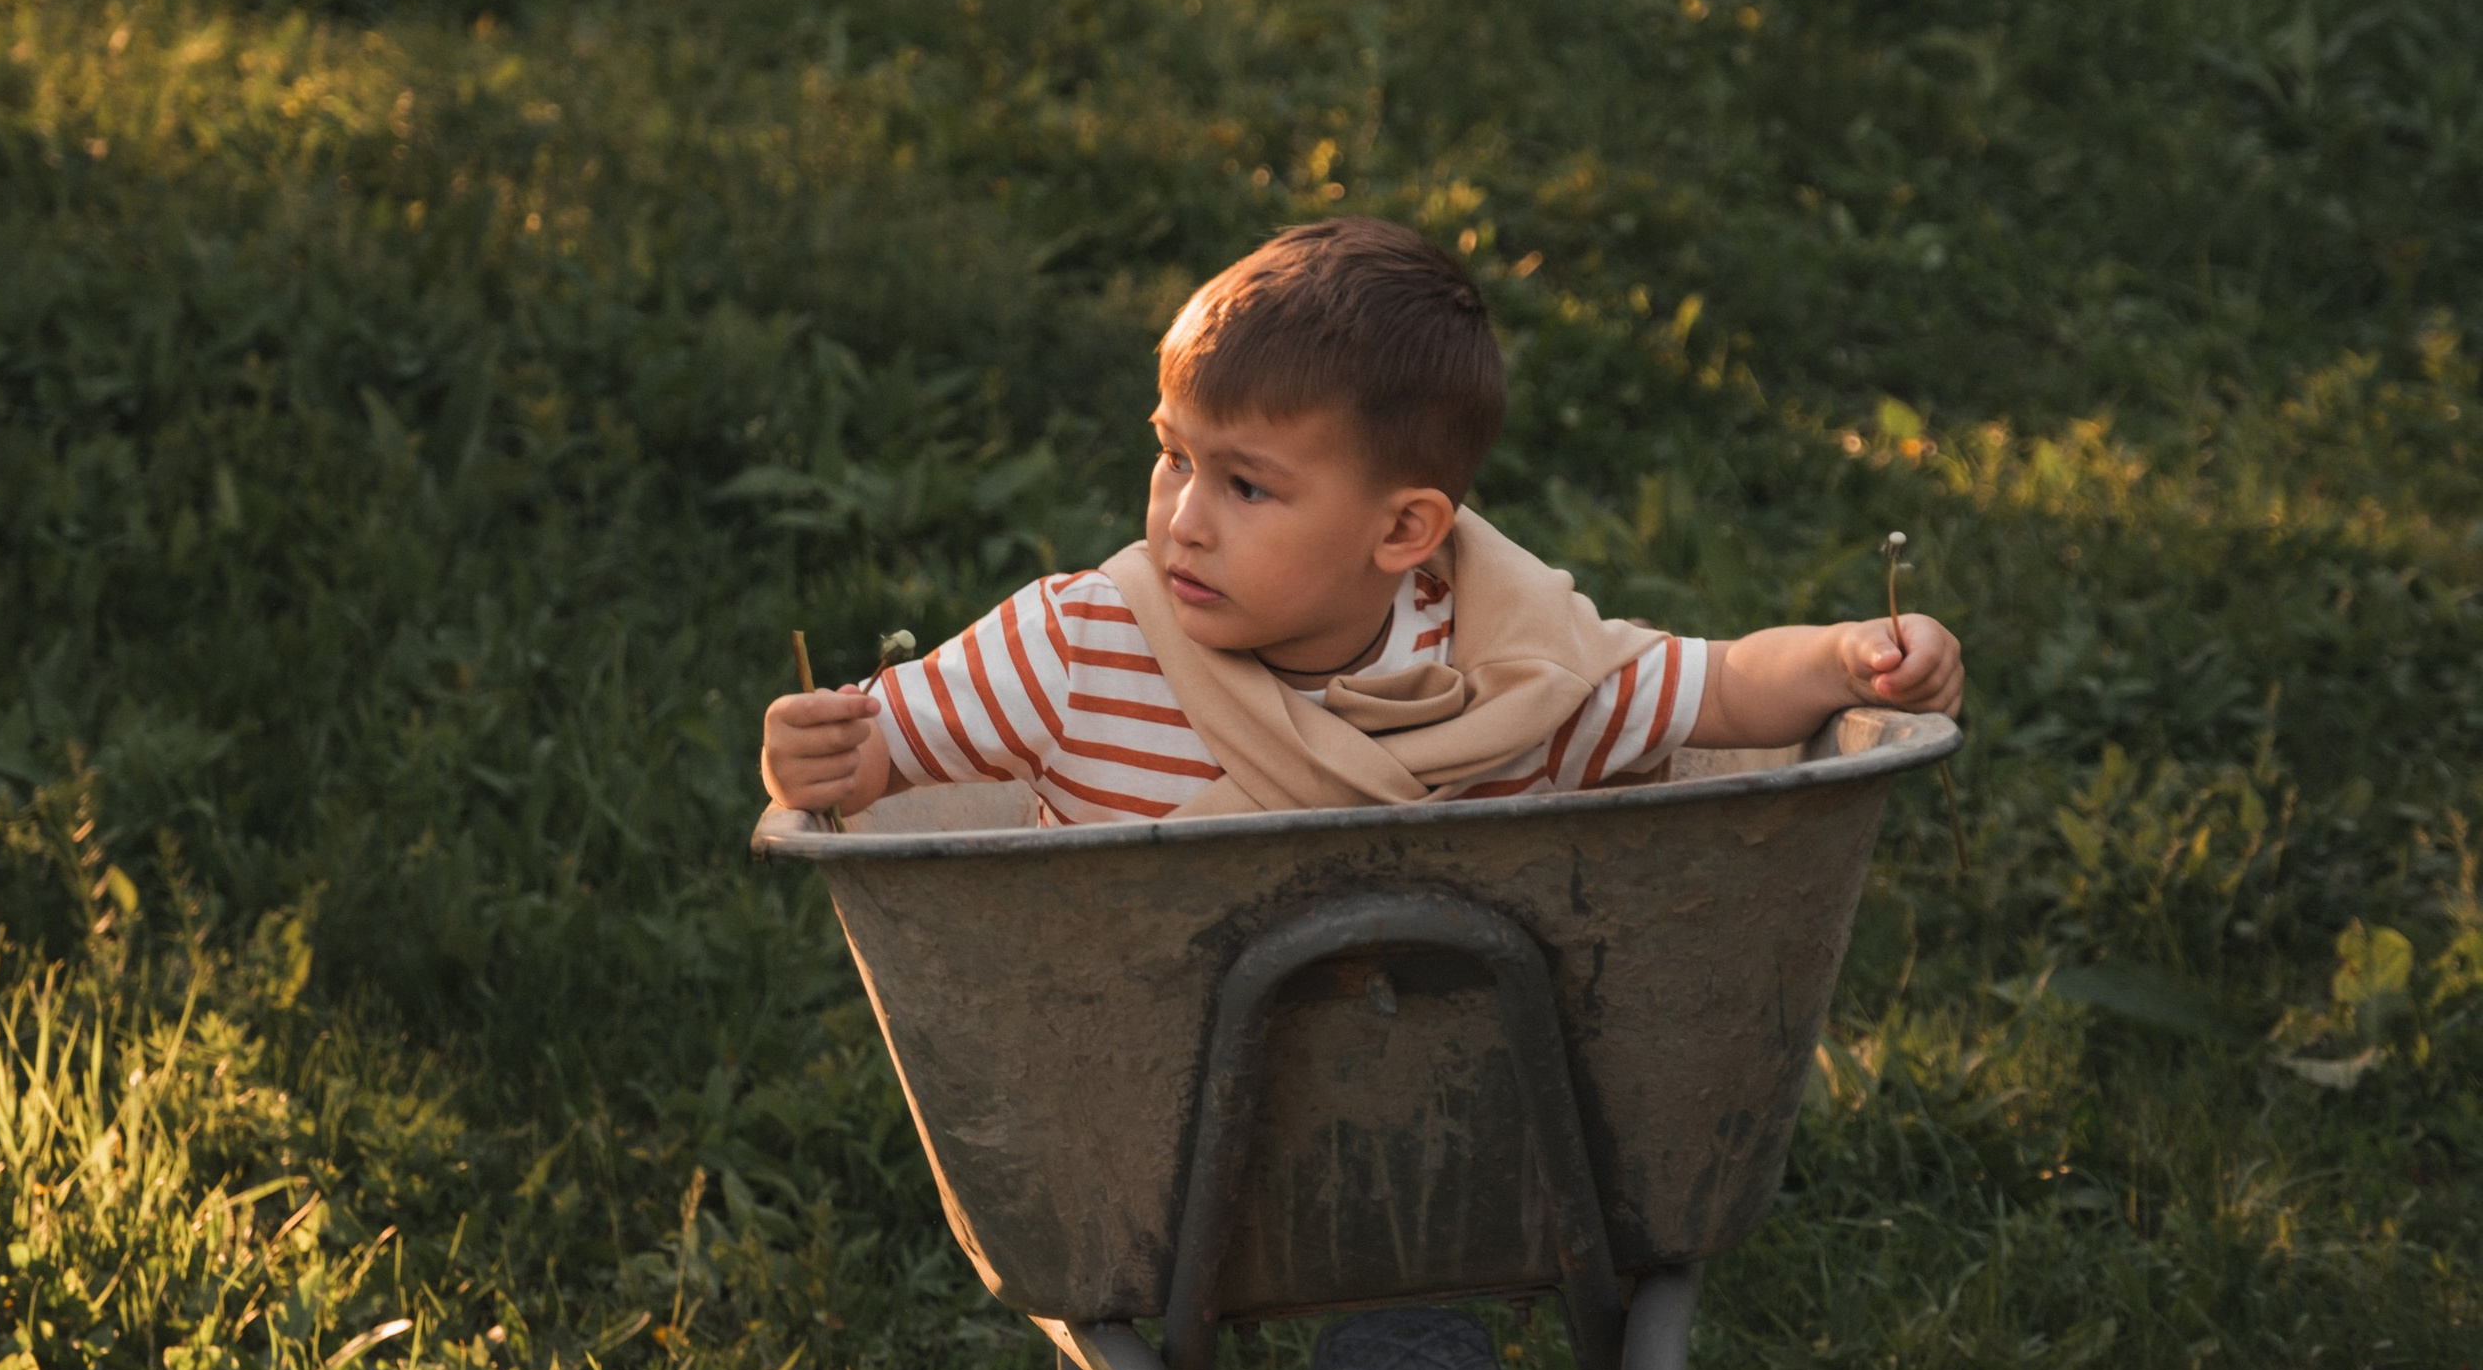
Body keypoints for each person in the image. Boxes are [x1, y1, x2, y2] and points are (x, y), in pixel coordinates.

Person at [760, 216, 1963, 828]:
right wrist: (814, 754)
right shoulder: (1077, 647)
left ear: (1403, 534)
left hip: (1433, 1103)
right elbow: (873, 766)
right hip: (1137, 1086)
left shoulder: (1507, 673)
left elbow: (1724, 700)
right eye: (1172, 458)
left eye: (1246, 486)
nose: (1181, 519)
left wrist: (1850, 657)